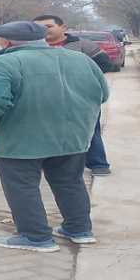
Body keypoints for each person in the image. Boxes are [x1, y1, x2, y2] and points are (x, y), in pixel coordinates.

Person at [0, 21, 109, 252]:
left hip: (21, 141)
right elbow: (102, 94)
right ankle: (79, 229)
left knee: (22, 186)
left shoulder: (4, 64)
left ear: (6, 41)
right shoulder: (80, 59)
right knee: (70, 182)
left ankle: (35, 236)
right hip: (73, 138)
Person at [33, 15, 113, 177]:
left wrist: (79, 78)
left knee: (89, 130)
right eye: (38, 27)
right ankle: (49, 162)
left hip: (80, 100)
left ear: (63, 27)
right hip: (44, 100)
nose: (43, 30)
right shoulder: (33, 48)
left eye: (48, 26)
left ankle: (99, 164)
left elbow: (105, 64)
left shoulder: (83, 45)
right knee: (46, 131)